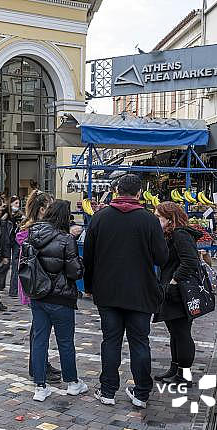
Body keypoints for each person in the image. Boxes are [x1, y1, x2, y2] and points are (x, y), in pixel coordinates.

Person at [83, 173, 168, 409]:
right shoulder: (149, 220)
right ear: (139, 193)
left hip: (107, 291)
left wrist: (89, 286)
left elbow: (88, 258)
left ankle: (108, 390)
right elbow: (162, 258)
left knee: (110, 341)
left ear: (117, 191)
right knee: (140, 342)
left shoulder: (100, 218)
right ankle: (141, 392)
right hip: (140, 291)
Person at [26, 200, 87, 401]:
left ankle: (40, 386)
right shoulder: (66, 239)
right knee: (65, 341)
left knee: (39, 340)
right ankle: (72, 382)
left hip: (38, 295)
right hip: (61, 297)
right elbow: (75, 272)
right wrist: (81, 264)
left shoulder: (33, 233)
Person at [153, 202, 202, 385]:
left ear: (170, 219)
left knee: (182, 333)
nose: (156, 220)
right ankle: (174, 369)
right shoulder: (170, 234)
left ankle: (184, 375)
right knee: (174, 332)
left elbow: (190, 261)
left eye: (158, 217)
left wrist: (174, 280)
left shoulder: (181, 234)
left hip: (179, 292)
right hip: (171, 291)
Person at [16, 191, 61, 383]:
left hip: (35, 282)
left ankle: (40, 364)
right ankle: (38, 366)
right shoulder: (36, 231)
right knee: (40, 329)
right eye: (50, 207)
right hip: (37, 283)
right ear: (42, 209)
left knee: (39, 328)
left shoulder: (34, 228)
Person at [6, 196, 24, 297]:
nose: (17, 205)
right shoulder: (5, 214)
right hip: (6, 241)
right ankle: (1, 284)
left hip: (16, 241)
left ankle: (13, 290)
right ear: (11, 203)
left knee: (15, 265)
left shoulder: (20, 214)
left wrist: (21, 222)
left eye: (18, 203)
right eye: (16, 203)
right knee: (5, 264)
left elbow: (23, 227)